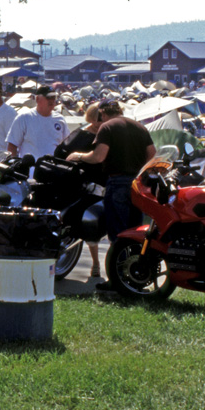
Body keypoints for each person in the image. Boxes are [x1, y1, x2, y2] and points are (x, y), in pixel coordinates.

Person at [66, 106, 155, 293]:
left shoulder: (107, 127)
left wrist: (79, 156)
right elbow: (152, 153)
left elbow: (99, 156)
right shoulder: (139, 127)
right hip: (137, 185)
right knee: (134, 232)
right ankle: (134, 276)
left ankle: (116, 280)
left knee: (118, 234)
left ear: (103, 114)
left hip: (117, 183)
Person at [55, 101, 121, 279]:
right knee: (87, 221)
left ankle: (97, 264)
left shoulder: (94, 134)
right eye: (100, 118)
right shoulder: (88, 135)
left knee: (91, 223)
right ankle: (96, 263)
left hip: (88, 183)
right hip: (83, 184)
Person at [6, 87, 69, 162]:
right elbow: (12, 146)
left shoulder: (60, 119)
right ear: (37, 99)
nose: (52, 101)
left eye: (53, 97)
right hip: (29, 170)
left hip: (53, 169)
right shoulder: (24, 118)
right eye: (48, 97)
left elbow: (66, 145)